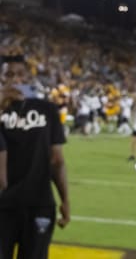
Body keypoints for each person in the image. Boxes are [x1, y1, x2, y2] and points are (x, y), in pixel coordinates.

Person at [0, 50, 71, 259]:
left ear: (27, 77)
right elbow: (56, 160)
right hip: (24, 203)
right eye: (9, 75)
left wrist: (64, 199)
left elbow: (57, 161)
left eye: (19, 74)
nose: (15, 80)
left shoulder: (48, 109)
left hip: (28, 202)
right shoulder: (48, 110)